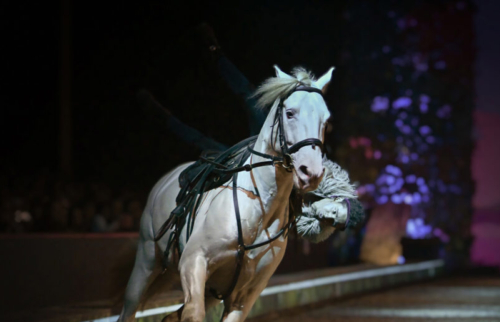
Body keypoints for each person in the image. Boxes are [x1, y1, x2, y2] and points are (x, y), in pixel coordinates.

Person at [137, 23, 363, 240]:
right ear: (337, 200)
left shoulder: (313, 225)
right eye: (335, 211)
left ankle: (162, 116)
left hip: (251, 175)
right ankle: (216, 53)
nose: (329, 215)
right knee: (250, 96)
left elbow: (290, 226)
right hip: (273, 145)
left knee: (204, 143)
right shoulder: (329, 181)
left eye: (333, 221)